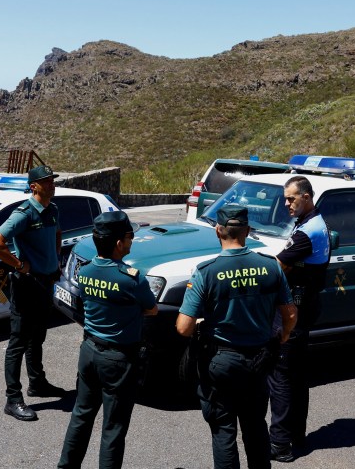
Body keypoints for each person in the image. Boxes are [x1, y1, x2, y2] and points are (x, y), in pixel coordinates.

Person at [176, 205, 297, 469]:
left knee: (223, 431)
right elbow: (289, 314)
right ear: (248, 231)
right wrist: (283, 336)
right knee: (255, 427)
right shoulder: (270, 267)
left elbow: (184, 328)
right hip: (259, 360)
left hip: (221, 362)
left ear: (218, 230)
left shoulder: (206, 271)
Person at [57, 211, 158, 469]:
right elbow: (152, 309)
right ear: (117, 243)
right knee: (113, 429)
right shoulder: (132, 278)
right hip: (118, 359)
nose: (132, 241)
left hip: (89, 351)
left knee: (81, 416)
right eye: (129, 237)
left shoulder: (86, 270)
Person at [0, 164, 65, 421]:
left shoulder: (52, 209)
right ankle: (13, 399)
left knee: (38, 336)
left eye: (52, 180)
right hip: (26, 284)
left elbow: (57, 233)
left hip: (45, 283)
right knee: (18, 341)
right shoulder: (24, 213)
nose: (52, 184)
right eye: (47, 181)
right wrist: (20, 264)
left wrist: (56, 261)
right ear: (34, 187)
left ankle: (37, 383)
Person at [268, 175, 331, 462]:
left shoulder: (309, 231)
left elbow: (278, 268)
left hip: (296, 310)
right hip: (306, 305)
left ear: (306, 196)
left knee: (281, 375)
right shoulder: (310, 223)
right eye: (285, 199)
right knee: (296, 373)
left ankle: (280, 444)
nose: (286, 204)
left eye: (291, 198)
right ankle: (296, 435)